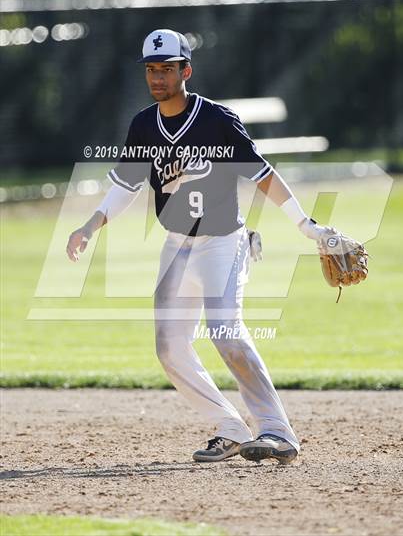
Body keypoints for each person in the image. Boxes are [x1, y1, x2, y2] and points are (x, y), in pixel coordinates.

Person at [67, 29, 329, 464]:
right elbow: (125, 184)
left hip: (223, 241)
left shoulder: (216, 120)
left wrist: (305, 223)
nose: (158, 77)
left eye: (167, 68)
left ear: (186, 70)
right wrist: (91, 224)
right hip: (177, 245)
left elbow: (262, 175)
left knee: (226, 332)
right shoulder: (143, 125)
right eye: (152, 69)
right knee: (169, 346)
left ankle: (277, 432)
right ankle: (229, 426)